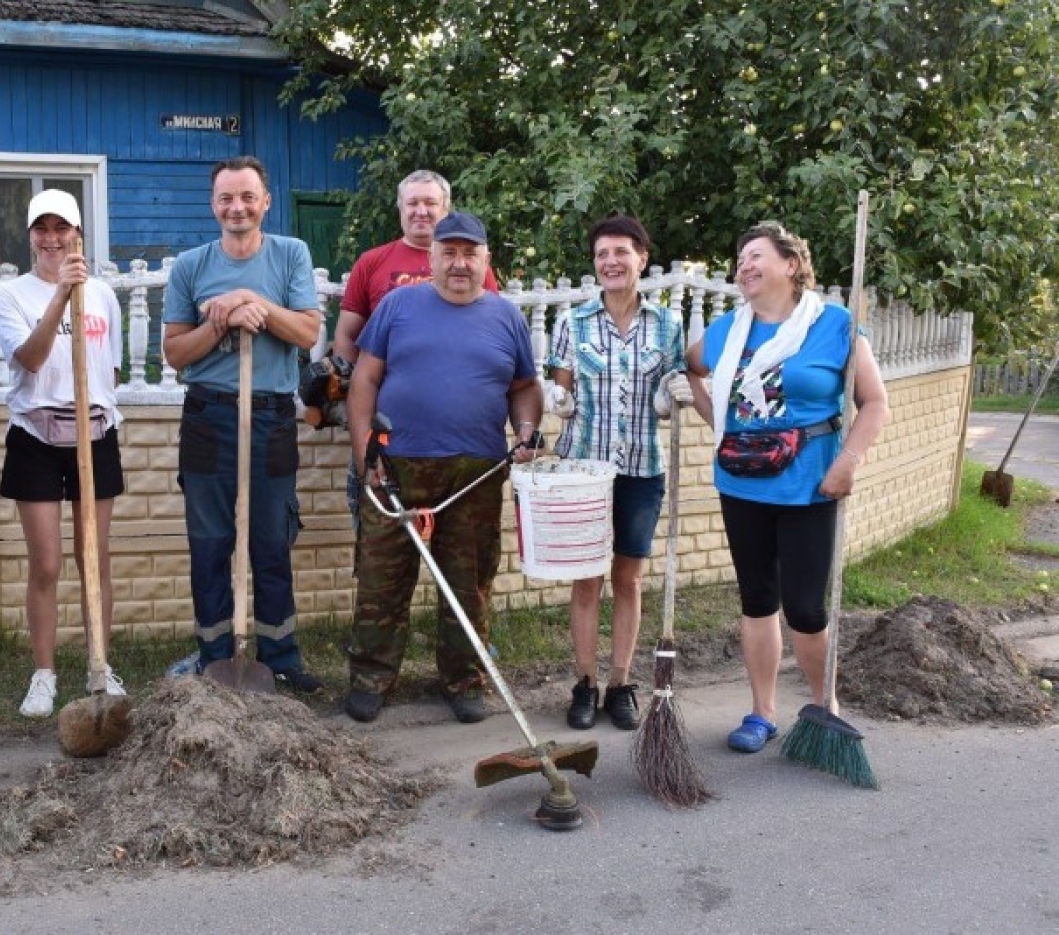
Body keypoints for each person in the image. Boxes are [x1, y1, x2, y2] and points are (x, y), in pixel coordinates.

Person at [685, 221, 889, 753]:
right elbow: (691, 369)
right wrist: (717, 422)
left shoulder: (835, 325)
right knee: (757, 601)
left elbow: (874, 403)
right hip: (742, 483)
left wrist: (848, 462)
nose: (744, 266)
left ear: (791, 264)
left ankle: (825, 709)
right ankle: (762, 713)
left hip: (810, 486)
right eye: (740, 259)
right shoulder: (726, 331)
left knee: (805, 607)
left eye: (756, 255)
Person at [344, 211, 541, 724]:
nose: (459, 263)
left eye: (469, 254)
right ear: (431, 258)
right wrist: (364, 452)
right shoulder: (397, 306)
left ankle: (464, 679)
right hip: (394, 468)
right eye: (448, 252)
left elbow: (524, 387)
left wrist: (526, 431)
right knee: (381, 579)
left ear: (485, 260)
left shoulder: (507, 317)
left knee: (468, 581)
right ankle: (370, 678)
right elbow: (364, 379)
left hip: (476, 474)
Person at [162, 155, 325, 693]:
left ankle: (280, 657)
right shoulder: (190, 267)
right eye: (227, 198)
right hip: (208, 417)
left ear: (266, 202)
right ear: (213, 205)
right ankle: (215, 657)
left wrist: (254, 302)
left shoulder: (290, 254)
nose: (238, 207)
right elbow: (175, 353)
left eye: (248, 197)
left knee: (271, 540)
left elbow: (306, 333)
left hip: (271, 417)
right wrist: (221, 321)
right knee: (211, 542)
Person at [546, 215, 691, 732]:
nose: (611, 262)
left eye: (621, 252)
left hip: (641, 470)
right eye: (602, 254)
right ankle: (585, 684)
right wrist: (558, 400)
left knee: (628, 579)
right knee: (587, 579)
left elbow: (673, 383)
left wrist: (672, 396)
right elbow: (561, 388)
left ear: (641, 259)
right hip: (584, 469)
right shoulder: (573, 322)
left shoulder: (667, 324)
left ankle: (620, 683)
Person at [0, 189, 129, 718]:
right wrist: (61, 296)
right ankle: (44, 674)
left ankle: (99, 665)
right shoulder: (9, 296)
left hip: (94, 432)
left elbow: (110, 369)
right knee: (46, 562)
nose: (52, 239)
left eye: (61, 228)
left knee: (94, 556)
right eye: (42, 229)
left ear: (77, 234)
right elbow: (29, 358)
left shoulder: (104, 296)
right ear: (30, 236)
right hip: (35, 434)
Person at [330, 170, 501, 521]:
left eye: (430, 203)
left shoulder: (473, 266)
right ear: (400, 208)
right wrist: (353, 402)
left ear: (445, 208)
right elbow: (346, 336)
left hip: (456, 435)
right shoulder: (372, 262)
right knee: (381, 527)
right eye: (412, 203)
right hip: (385, 427)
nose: (421, 211)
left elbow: (491, 329)